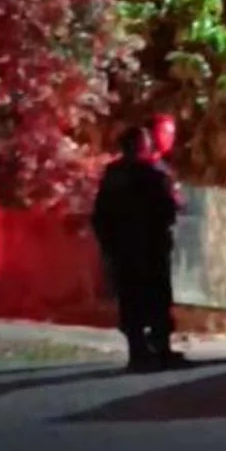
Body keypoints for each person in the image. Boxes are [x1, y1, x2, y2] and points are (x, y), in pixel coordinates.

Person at [91, 125, 183, 372]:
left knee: (131, 299)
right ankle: (160, 349)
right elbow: (168, 210)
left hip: (125, 249)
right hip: (150, 247)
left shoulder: (115, 175)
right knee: (156, 298)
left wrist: (108, 244)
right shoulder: (153, 174)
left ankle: (139, 351)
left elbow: (101, 214)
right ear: (143, 146)